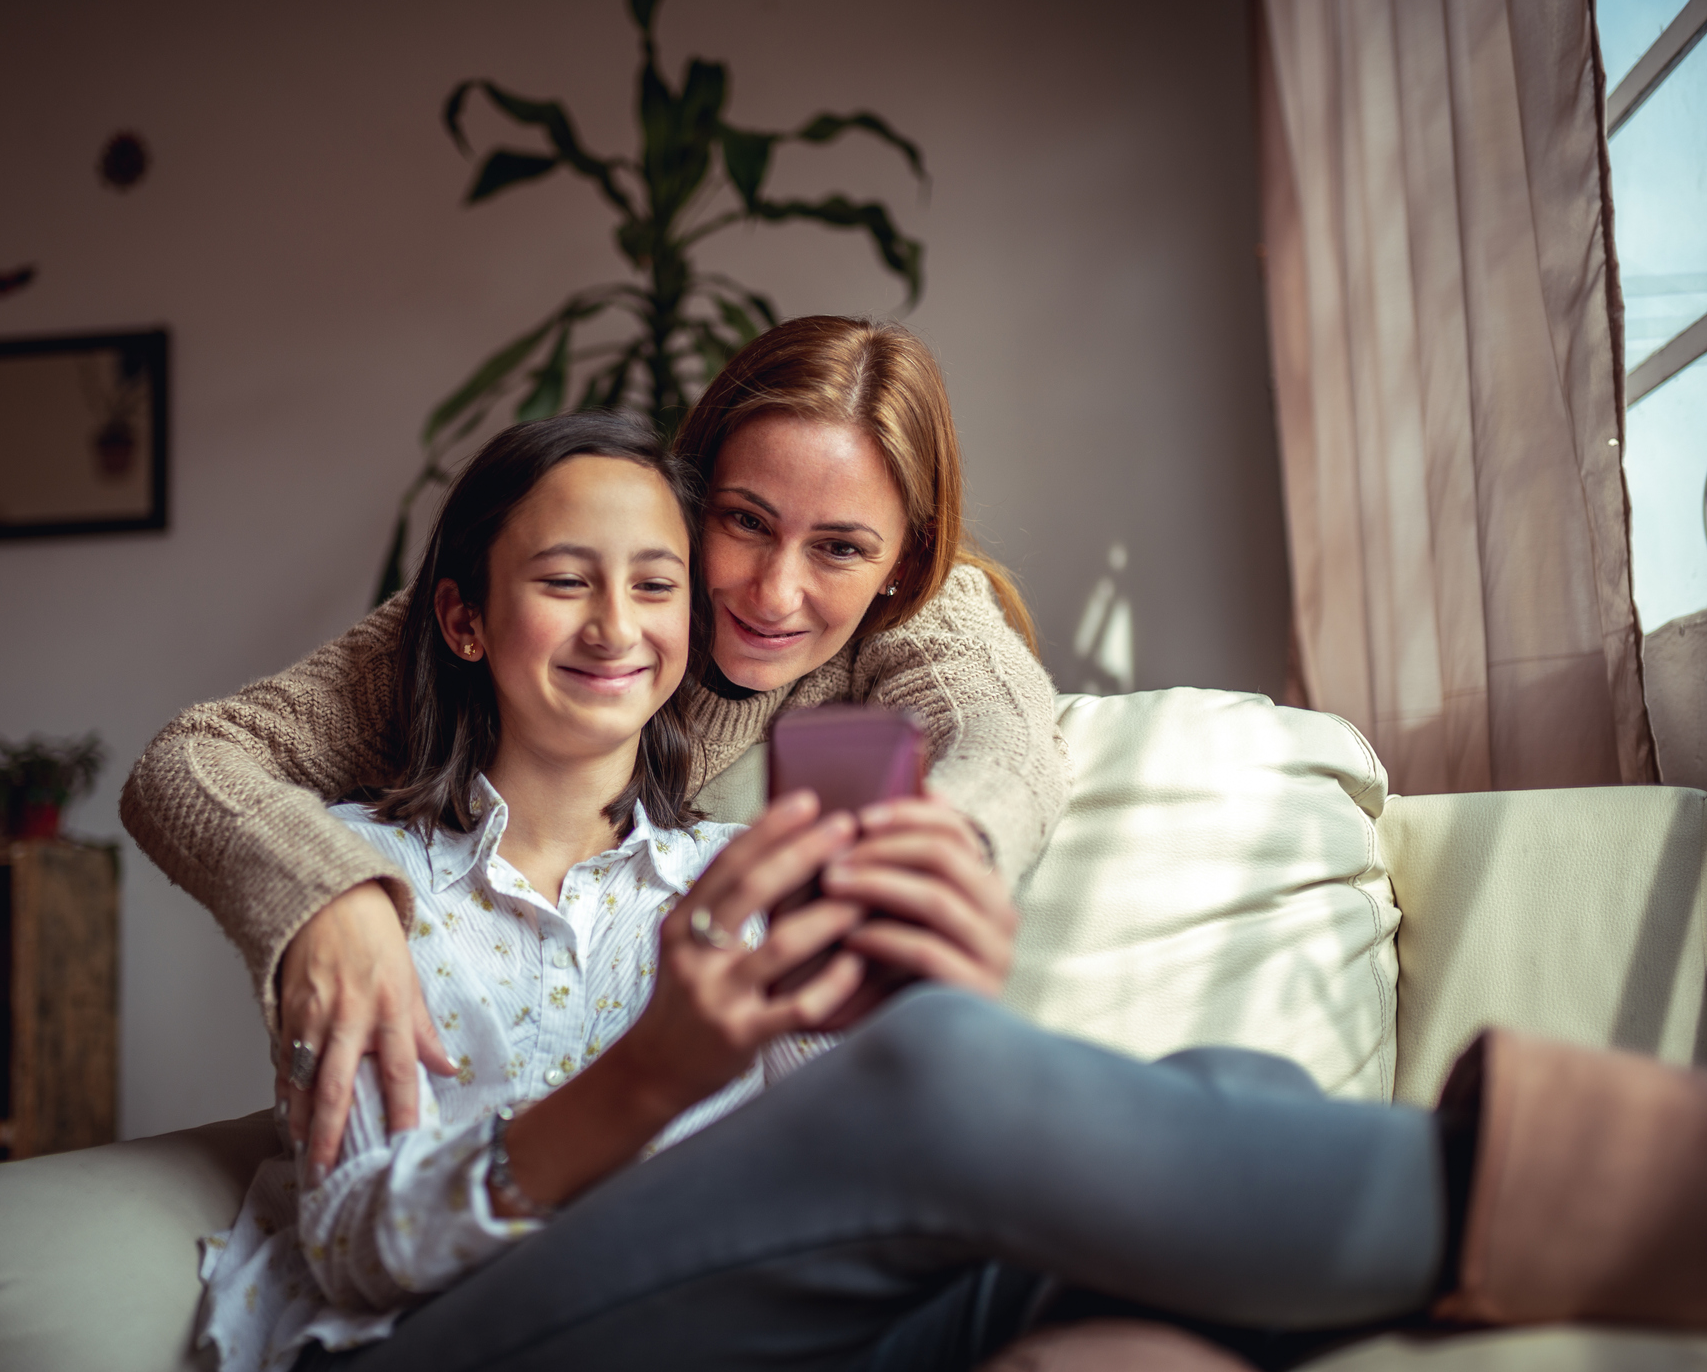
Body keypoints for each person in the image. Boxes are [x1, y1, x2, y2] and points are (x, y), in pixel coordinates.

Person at [188, 411, 1707, 1372]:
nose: (618, 623)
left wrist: (929, 980)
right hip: (442, 1336)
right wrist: (658, 1072)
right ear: (458, 615)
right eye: (561, 578)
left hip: (755, 1321)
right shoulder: (361, 894)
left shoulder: (721, 879)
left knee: (1188, 1163)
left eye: (654, 582)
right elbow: (357, 1244)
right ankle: (1637, 1195)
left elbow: (868, 1142)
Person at [122, 317, 1068, 1173]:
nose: (774, 593)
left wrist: (944, 856)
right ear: (683, 499)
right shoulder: (537, 604)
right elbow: (194, 758)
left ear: (900, 560)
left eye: (839, 549)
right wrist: (329, 894)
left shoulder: (913, 611)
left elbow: (1006, 739)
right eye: (742, 521)